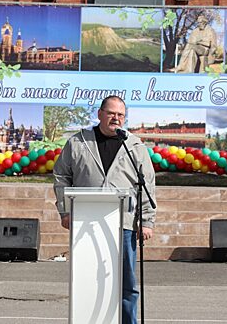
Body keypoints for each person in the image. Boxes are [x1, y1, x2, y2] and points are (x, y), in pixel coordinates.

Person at [53, 95, 156, 324]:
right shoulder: (78, 142)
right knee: (87, 279)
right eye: (111, 113)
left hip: (125, 224)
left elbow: (146, 184)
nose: (116, 118)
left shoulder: (134, 145)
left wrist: (147, 221)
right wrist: (65, 211)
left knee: (127, 284)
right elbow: (62, 177)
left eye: (120, 114)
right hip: (85, 224)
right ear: (100, 114)